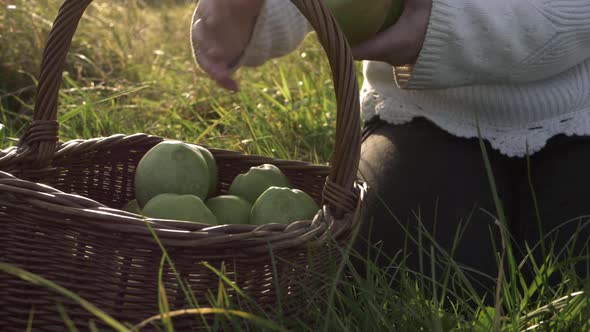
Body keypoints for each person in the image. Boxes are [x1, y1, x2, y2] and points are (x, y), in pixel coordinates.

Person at [190, 0, 590, 295]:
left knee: (568, 272)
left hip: (579, 110)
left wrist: (449, 26)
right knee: (428, 276)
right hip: (424, 113)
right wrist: (248, 15)